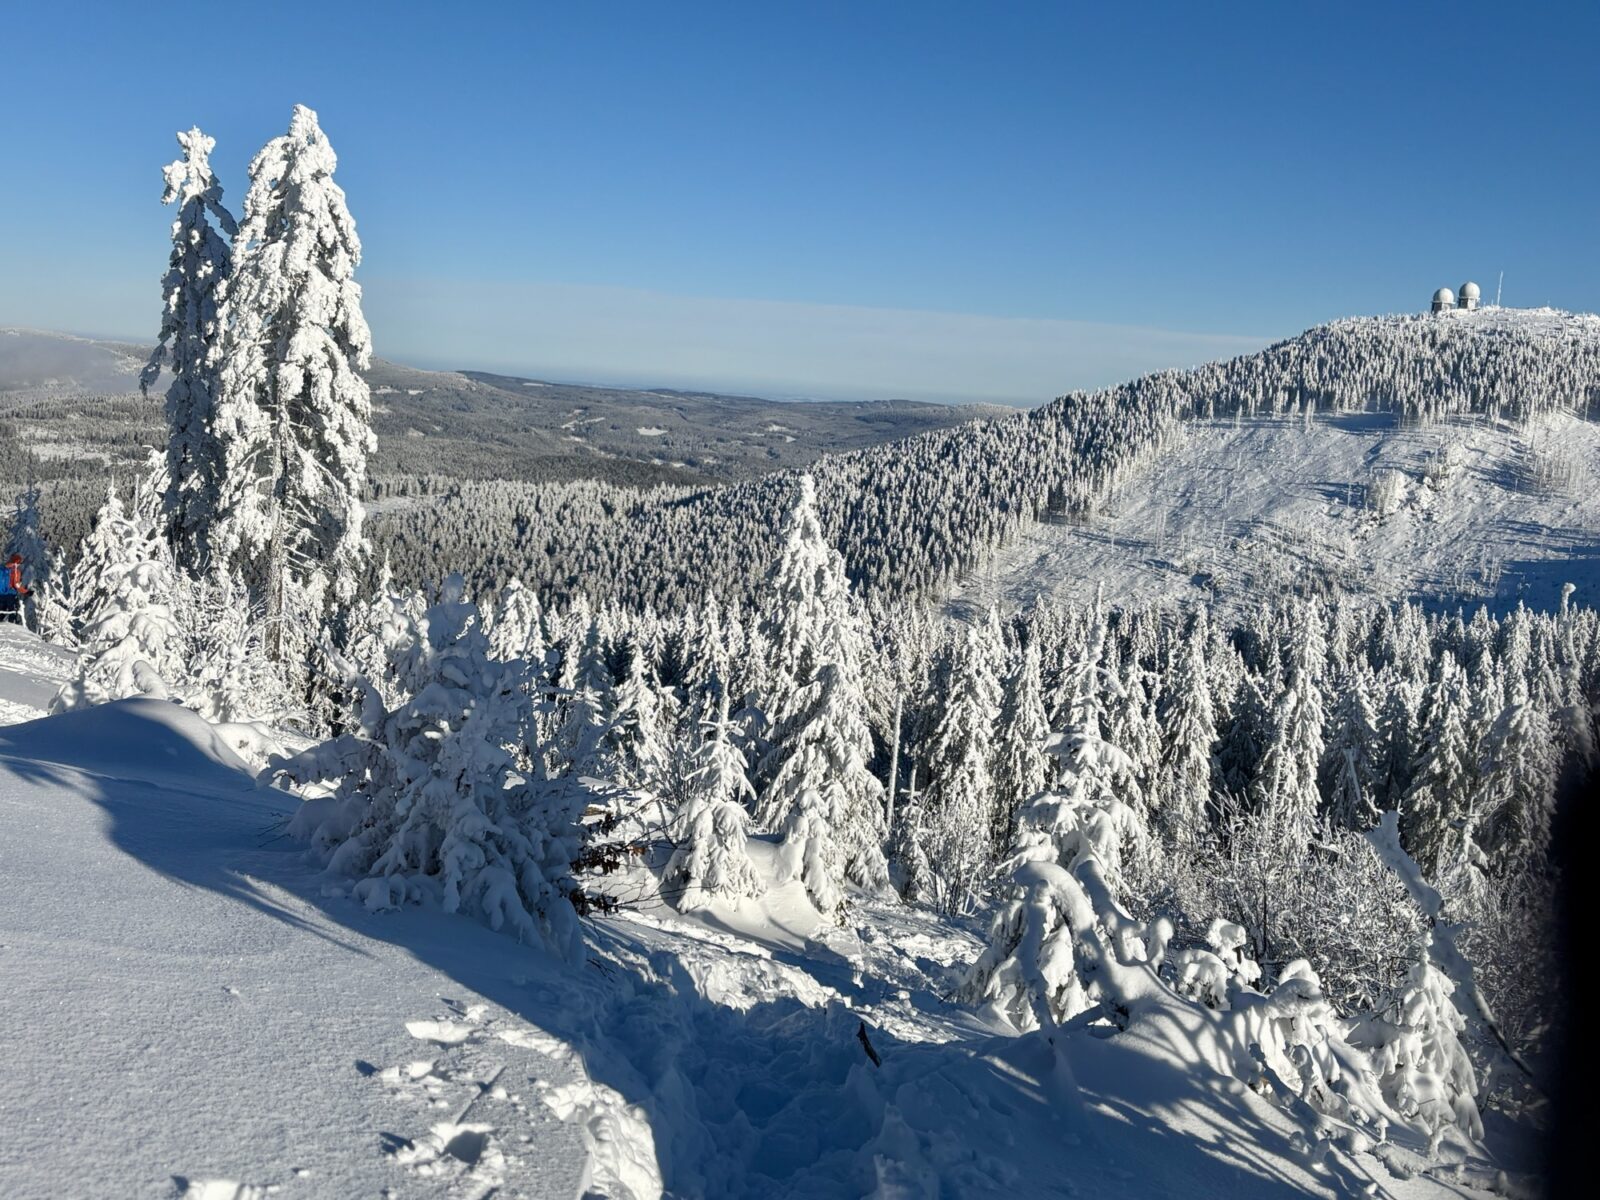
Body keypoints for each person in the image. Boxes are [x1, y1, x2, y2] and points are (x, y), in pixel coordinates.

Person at [0, 553, 28, 624]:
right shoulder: (16, 571)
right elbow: (16, 585)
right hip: (11, 595)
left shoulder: (1, 568)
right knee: (12, 613)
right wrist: (26, 591)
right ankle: (12, 627)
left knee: (1, 613)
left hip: (0, 595)